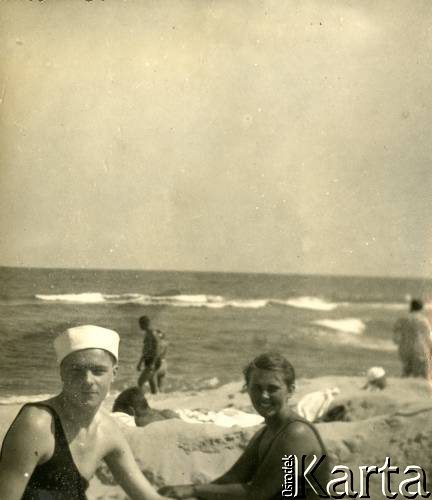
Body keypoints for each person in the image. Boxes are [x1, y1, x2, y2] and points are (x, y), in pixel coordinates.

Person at [0, 324, 172, 500]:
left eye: (98, 371)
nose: (88, 380)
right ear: (62, 373)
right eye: (76, 370)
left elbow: (148, 497)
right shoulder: (37, 424)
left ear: (114, 373)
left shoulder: (107, 430)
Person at [159, 352, 329, 499]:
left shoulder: (296, 433)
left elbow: (257, 494)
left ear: (290, 390)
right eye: (256, 388)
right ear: (247, 389)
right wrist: (190, 493)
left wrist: (193, 490)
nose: (263, 396)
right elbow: (232, 479)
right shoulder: (266, 432)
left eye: (272, 388)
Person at [393, 299, 432, 378]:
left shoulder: (402, 320)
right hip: (420, 350)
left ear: (411, 307)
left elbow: (396, 339)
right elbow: (429, 337)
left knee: (406, 372)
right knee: (424, 375)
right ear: (421, 308)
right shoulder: (423, 321)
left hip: (405, 350)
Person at [136, 316, 168, 394]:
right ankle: (159, 403)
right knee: (157, 387)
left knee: (141, 382)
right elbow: (149, 350)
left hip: (154, 363)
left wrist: (153, 363)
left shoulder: (151, 333)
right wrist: (140, 362)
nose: (139, 326)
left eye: (140, 324)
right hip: (162, 362)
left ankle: (140, 401)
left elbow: (157, 349)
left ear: (144, 324)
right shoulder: (155, 333)